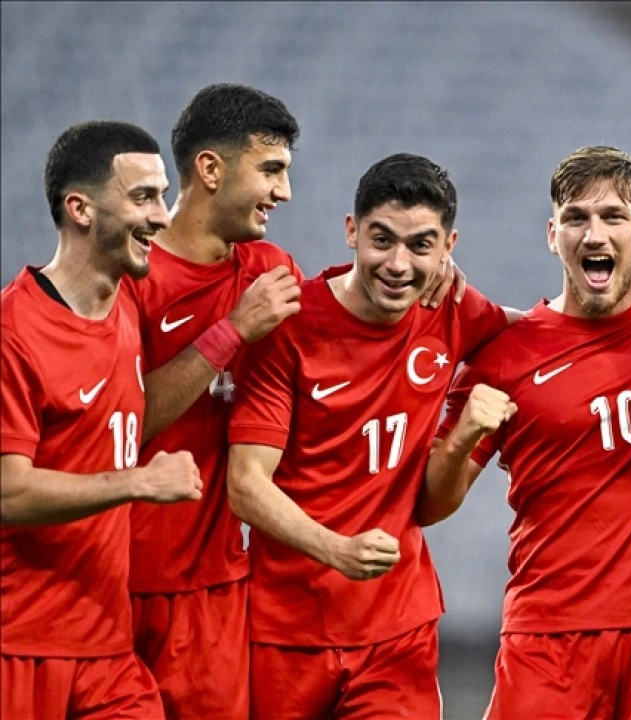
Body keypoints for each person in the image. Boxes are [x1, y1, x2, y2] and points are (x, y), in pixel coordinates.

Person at [429, 146, 631, 719]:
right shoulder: (505, 356)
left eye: (614, 216)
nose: (594, 234)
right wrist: (464, 434)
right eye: (576, 218)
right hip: (552, 635)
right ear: (552, 235)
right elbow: (432, 503)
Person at [224, 153, 509, 718]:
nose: (398, 264)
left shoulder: (451, 311)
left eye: (421, 245)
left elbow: (550, 333)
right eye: (383, 240)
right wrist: (337, 549)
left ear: (448, 247)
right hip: (285, 630)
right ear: (351, 231)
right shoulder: (290, 326)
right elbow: (245, 484)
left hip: (397, 631)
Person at [1, 121, 202, 718]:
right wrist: (138, 482)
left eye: (163, 196)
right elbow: (8, 492)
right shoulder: (14, 332)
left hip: (107, 649)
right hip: (20, 644)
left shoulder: (126, 306)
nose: (162, 216)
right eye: (143, 198)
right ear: (80, 209)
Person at [125, 83, 303, 720]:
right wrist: (231, 332)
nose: (284, 192)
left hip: (215, 591)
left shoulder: (269, 269)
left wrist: (428, 281)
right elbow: (123, 423)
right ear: (210, 168)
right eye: (271, 170)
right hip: (114, 583)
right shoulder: (132, 276)